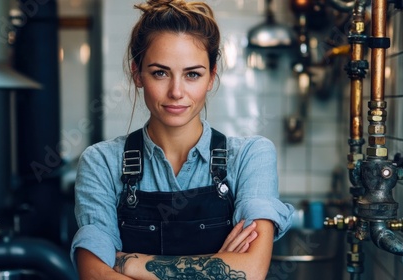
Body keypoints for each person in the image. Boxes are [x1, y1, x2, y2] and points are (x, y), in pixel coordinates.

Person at [70, 0, 294, 279]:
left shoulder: (251, 155)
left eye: (192, 74)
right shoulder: (101, 162)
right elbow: (93, 274)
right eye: (160, 72)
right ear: (137, 73)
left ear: (211, 77)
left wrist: (128, 263)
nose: (176, 91)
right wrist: (218, 265)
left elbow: (250, 272)